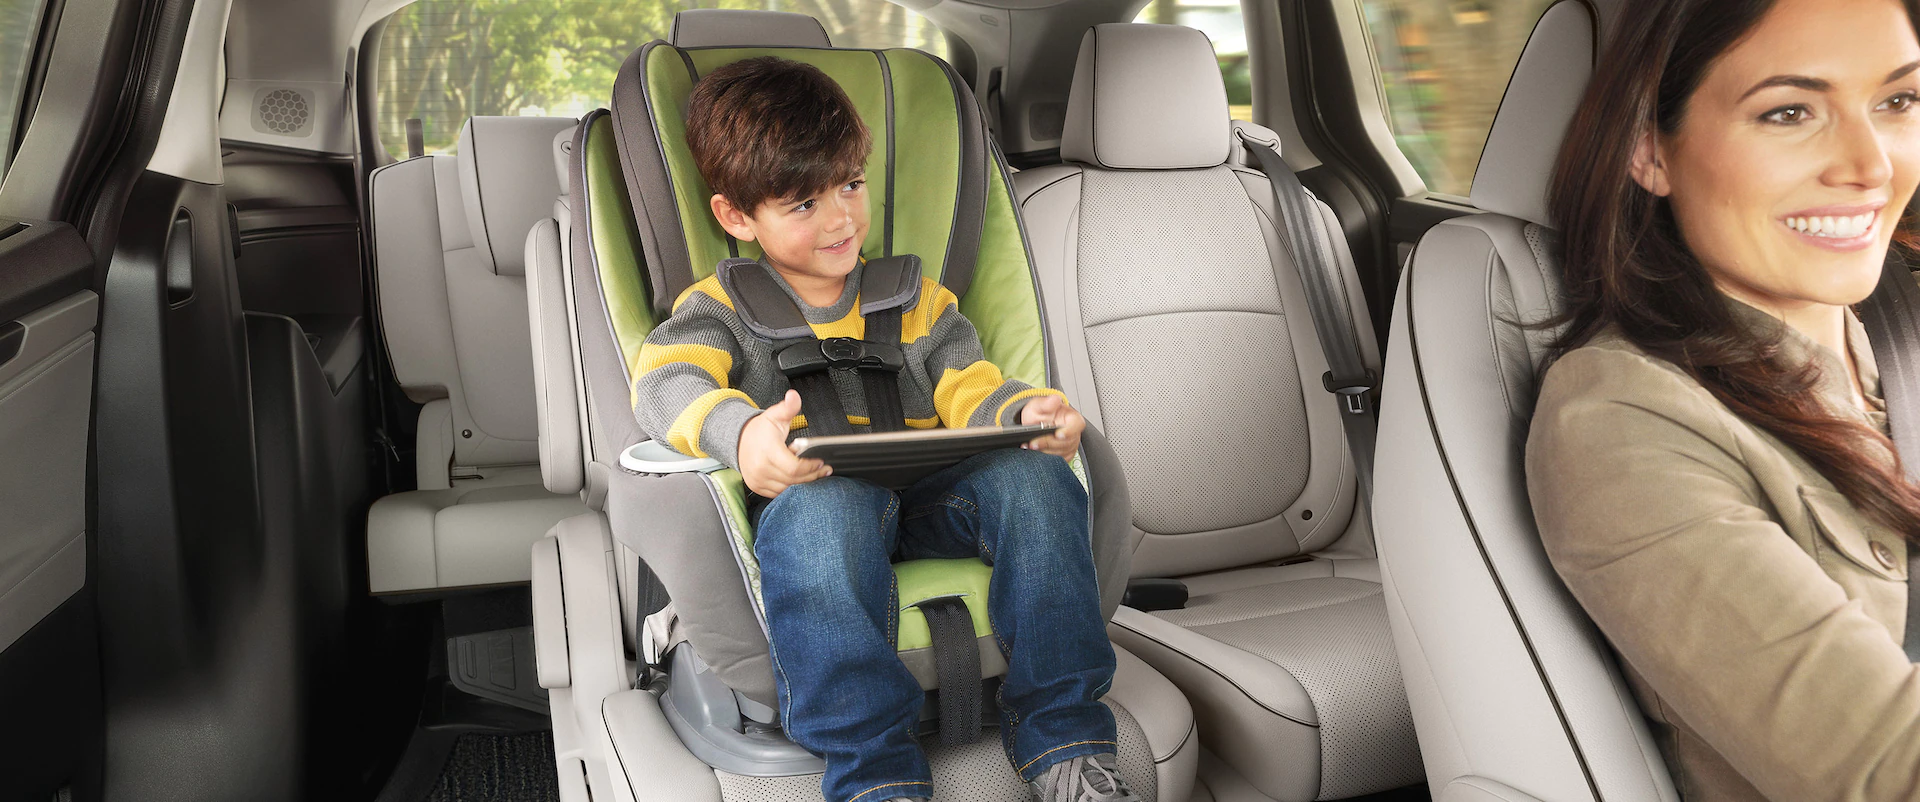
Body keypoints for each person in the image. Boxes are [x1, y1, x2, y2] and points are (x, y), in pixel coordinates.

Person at [630, 56, 1135, 802]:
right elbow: (668, 384)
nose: (840, 219)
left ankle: (1065, 738)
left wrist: (1024, 416)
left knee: (1035, 478)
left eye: (851, 186)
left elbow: (970, 385)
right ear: (738, 217)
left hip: (935, 500)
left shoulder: (916, 300)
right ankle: (875, 776)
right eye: (803, 204)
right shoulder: (717, 310)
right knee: (820, 519)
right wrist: (742, 437)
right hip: (819, 500)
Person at [1528, 0, 1920, 798]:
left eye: (1898, 101)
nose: (1871, 163)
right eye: (1788, 112)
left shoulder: (1898, 328)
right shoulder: (1620, 418)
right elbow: (1890, 770)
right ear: (1650, 150)